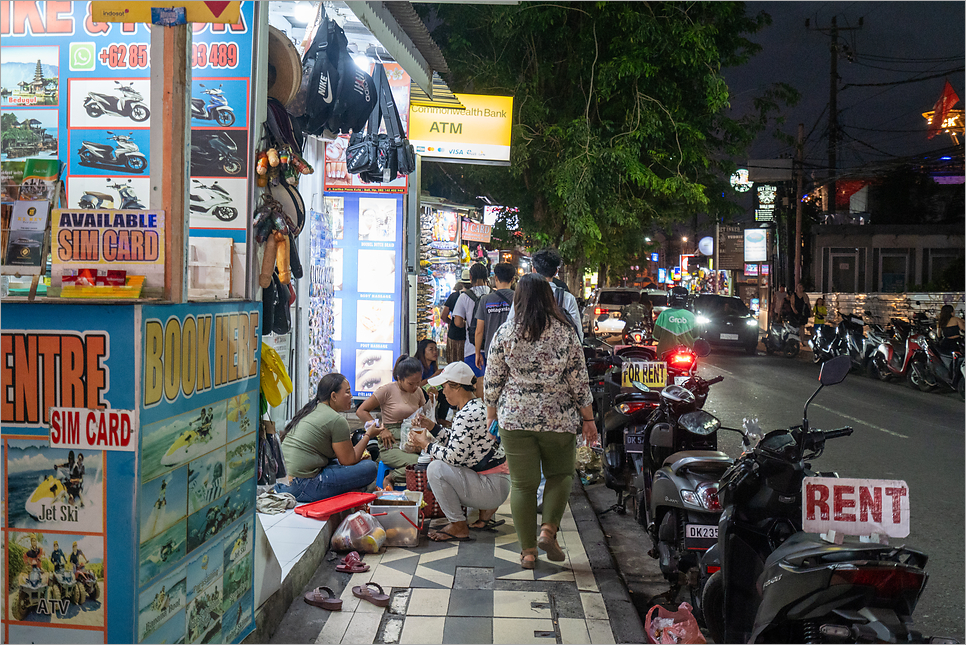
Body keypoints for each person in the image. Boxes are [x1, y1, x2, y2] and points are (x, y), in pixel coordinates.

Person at [484, 274, 597, 569]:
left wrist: (491, 413)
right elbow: (579, 380)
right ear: (549, 297)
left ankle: (528, 553)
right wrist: (588, 418)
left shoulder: (506, 332)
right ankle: (548, 530)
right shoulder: (564, 332)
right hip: (558, 418)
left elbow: (493, 378)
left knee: (522, 485)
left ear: (519, 297)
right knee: (560, 476)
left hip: (516, 418)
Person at [408, 362, 510, 542]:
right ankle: (484, 511)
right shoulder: (477, 406)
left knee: (436, 469)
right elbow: (460, 442)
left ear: (456, 386)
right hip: (498, 482)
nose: (442, 391)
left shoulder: (466, 415)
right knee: (439, 465)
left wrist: (425, 444)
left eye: (444, 386)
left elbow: (454, 457)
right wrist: (432, 427)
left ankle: (458, 525)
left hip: (491, 487)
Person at [275, 373, 380, 503]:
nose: (351, 396)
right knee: (369, 467)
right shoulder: (337, 420)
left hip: (282, 484)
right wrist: (368, 434)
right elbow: (348, 460)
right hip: (302, 486)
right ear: (333, 396)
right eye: (347, 392)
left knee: (338, 463)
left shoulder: (311, 409)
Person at [356, 356, 428, 487]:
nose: (415, 387)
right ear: (399, 378)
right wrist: (381, 429)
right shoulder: (387, 390)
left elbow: (425, 413)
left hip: (413, 441)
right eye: (411, 383)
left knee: (433, 461)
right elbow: (361, 410)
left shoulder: (418, 391)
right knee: (420, 463)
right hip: (391, 443)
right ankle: (391, 478)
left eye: (418, 382)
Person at [505, 248, 584, 344]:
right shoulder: (567, 298)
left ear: (534, 270)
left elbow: (509, 326)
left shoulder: (523, 295)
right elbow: (578, 333)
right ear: (556, 271)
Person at [474, 262, 516, 372]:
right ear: (512, 279)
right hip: (513, 350)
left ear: (495, 277)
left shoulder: (485, 300)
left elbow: (479, 330)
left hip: (492, 350)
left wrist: (477, 353)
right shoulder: (518, 298)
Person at [452, 263, 492, 379]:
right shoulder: (493, 295)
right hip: (491, 346)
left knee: (474, 383)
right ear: (487, 276)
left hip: (472, 347)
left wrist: (469, 325)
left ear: (470, 277)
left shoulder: (464, 297)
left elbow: (458, 322)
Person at [652, 286, 697, 357]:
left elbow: (656, 336)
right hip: (687, 354)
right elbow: (696, 336)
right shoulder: (691, 316)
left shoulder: (664, 314)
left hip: (665, 354)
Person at [441, 281, 467, 363]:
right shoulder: (474, 296)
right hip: (469, 337)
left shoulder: (453, 296)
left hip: (454, 335)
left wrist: (451, 322)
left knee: (453, 363)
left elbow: (443, 316)